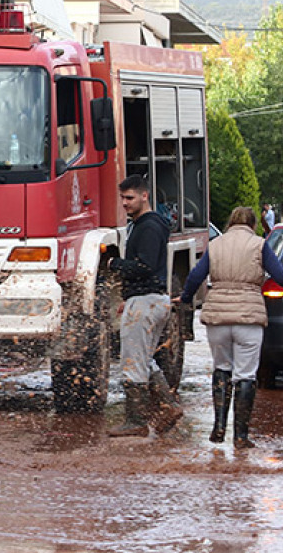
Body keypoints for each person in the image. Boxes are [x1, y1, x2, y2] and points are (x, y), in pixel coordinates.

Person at [176, 206, 283, 449]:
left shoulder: (216, 245)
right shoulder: (259, 245)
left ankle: (219, 426)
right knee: (245, 374)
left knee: (221, 368)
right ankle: (241, 436)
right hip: (249, 318)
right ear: (253, 223)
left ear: (231, 222)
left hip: (218, 317)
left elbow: (196, 276)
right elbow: (279, 274)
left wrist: (185, 298)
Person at [107, 175, 183, 438]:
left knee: (132, 362)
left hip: (147, 302)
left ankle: (136, 420)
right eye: (122, 198)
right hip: (150, 300)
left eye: (129, 198)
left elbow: (145, 266)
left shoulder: (148, 227)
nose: (125, 203)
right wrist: (129, 297)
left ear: (144, 196)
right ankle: (169, 407)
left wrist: (113, 264)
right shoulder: (147, 224)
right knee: (144, 360)